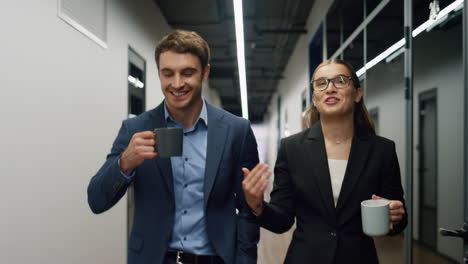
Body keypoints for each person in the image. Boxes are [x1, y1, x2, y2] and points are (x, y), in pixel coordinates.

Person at [87, 30, 260, 264]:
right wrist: (124, 163)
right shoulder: (135, 129)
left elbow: (247, 210)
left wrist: (246, 259)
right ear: (159, 74)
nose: (177, 84)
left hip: (215, 259)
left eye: (187, 73)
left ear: (205, 72)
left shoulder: (236, 131)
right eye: (168, 74)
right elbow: (96, 201)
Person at [242, 59, 407, 263]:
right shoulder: (292, 149)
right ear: (314, 98)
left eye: (340, 81)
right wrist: (257, 205)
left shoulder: (382, 150)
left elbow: (398, 220)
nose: (330, 88)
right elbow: (282, 220)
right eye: (321, 83)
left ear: (357, 93)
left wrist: (395, 214)